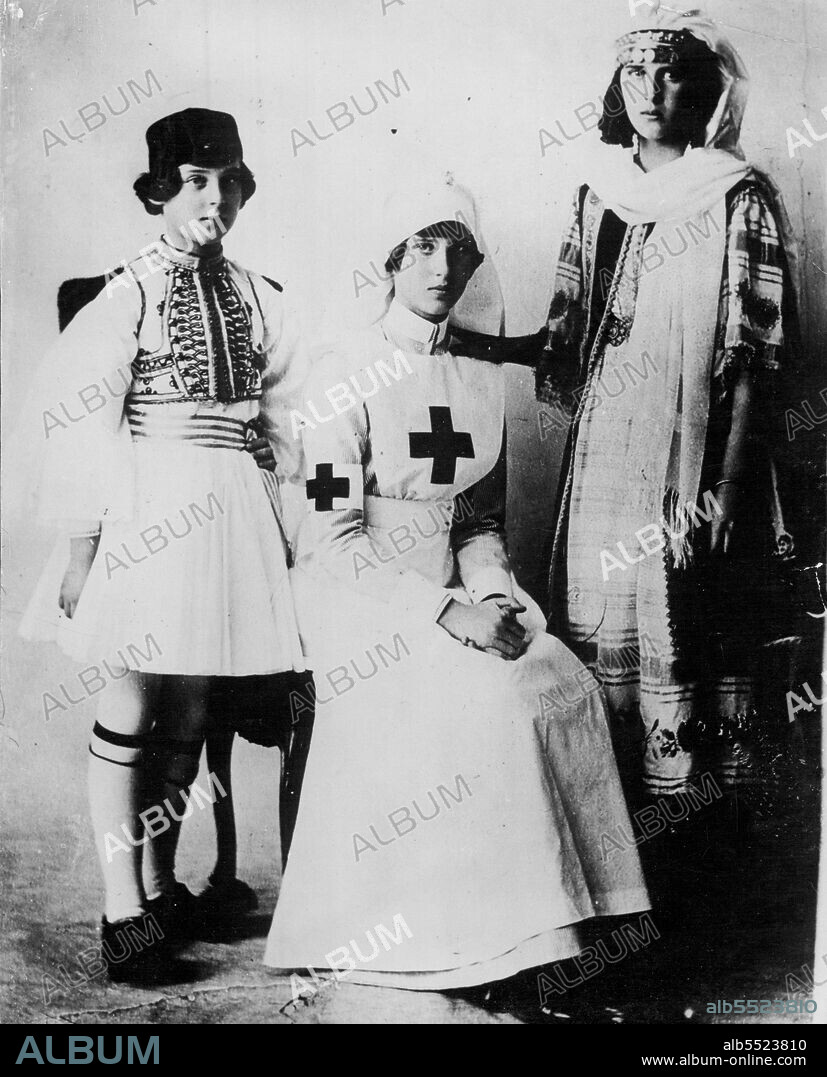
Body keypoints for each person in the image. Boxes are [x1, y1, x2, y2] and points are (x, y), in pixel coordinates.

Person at [264, 174, 649, 991]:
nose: (443, 266)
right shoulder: (341, 373)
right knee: (488, 696)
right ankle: (495, 943)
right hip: (360, 598)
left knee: (555, 673)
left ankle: (575, 924)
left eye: (458, 248)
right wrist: (442, 611)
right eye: (423, 246)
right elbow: (330, 539)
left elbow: (475, 523)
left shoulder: (475, 378)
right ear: (392, 259)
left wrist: (496, 597)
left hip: (453, 594)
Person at [21, 108, 309, 982]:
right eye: (191, 182)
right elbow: (75, 423)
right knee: (134, 704)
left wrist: (301, 525)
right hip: (147, 509)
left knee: (189, 710)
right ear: (157, 194)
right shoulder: (129, 292)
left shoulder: (263, 296)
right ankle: (120, 909)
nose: (210, 197)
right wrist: (82, 547)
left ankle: (158, 885)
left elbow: (296, 419)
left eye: (225, 181)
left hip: (233, 512)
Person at [533, 11, 799, 825]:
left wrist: (721, 487)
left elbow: (752, 353)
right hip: (607, 454)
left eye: (672, 71)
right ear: (615, 87)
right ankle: (613, 856)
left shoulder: (736, 195)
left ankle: (693, 854)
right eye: (635, 73)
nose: (651, 91)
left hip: (694, 461)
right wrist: (447, 340)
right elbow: (561, 335)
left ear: (707, 86)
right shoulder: (598, 195)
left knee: (684, 623)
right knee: (602, 622)